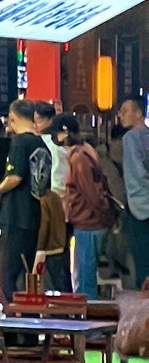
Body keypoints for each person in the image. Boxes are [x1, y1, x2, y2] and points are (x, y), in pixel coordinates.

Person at [0, 98, 45, 302]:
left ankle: (12, 322)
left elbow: (15, 177)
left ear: (12, 118)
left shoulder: (20, 142)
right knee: (25, 276)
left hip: (17, 216)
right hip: (35, 217)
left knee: (4, 275)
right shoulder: (40, 143)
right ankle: (27, 324)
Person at [60, 117, 119, 303]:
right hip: (93, 222)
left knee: (85, 280)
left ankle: (89, 326)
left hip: (88, 223)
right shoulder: (86, 151)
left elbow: (91, 195)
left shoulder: (78, 159)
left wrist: (104, 216)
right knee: (86, 276)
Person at [29, 99, 69, 290]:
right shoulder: (60, 144)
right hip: (62, 208)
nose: (34, 124)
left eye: (35, 120)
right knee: (60, 261)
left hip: (48, 207)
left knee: (46, 258)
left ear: (45, 120)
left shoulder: (44, 144)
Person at [118, 96, 149, 288]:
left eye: (125, 110)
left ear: (138, 113)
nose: (120, 115)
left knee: (142, 263)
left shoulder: (130, 138)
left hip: (141, 209)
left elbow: (135, 176)